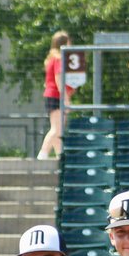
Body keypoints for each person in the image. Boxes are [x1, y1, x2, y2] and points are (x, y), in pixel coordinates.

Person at [37, 31, 73, 161]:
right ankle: (43, 153)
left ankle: (60, 155)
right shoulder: (59, 58)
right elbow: (59, 79)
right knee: (56, 128)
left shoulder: (52, 58)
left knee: (59, 129)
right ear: (64, 43)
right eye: (69, 42)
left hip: (52, 95)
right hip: (56, 96)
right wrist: (66, 98)